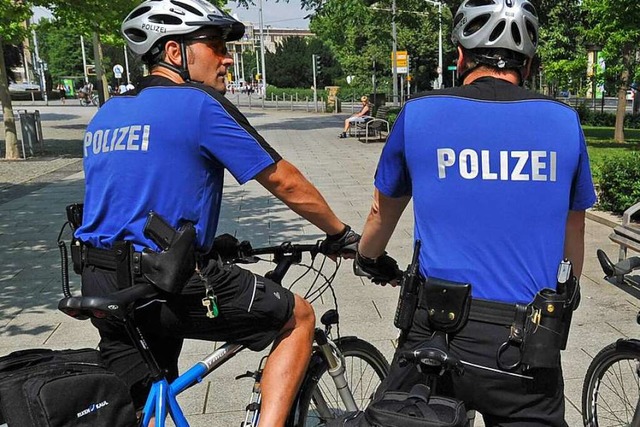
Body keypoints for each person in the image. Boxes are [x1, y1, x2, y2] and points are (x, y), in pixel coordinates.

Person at [74, 0, 358, 426]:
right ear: (175, 52)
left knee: (143, 401)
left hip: (101, 277)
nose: (227, 58)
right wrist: (340, 234)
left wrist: (211, 240)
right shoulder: (199, 103)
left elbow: (133, 196)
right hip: (166, 280)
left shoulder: (107, 114)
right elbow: (284, 181)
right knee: (298, 317)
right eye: (215, 45)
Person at [355, 0, 596, 425]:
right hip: (528, 341)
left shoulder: (419, 113)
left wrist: (367, 257)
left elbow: (381, 210)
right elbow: (572, 232)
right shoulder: (564, 122)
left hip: (436, 332)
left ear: (461, 56)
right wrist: (567, 295)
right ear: (529, 62)